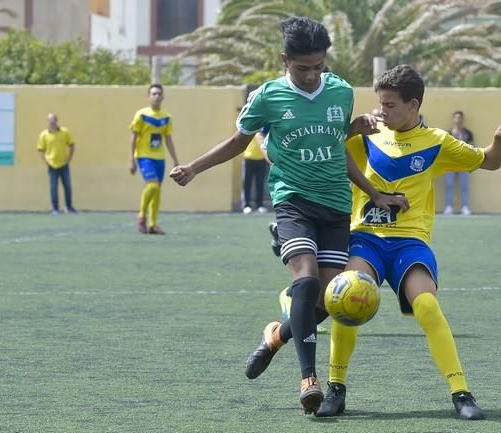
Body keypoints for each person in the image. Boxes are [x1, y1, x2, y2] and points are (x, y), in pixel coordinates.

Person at [254, 65, 501, 420]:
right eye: (378, 104)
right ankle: (336, 389)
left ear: (414, 105)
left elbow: (490, 161)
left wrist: (500, 137)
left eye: (389, 105)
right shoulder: (365, 135)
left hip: (409, 242)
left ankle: (461, 393)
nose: (380, 112)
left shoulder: (438, 142)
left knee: (428, 306)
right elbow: (322, 148)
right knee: (343, 297)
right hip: (365, 239)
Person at [170, 16, 406, 414]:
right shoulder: (267, 97)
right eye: (303, 68)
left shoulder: (341, 92)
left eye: (319, 66)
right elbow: (236, 142)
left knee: (328, 302)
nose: (313, 75)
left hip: (334, 206)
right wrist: (193, 167)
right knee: (307, 280)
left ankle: (275, 337)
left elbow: (336, 146)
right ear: (284, 60)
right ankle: (308, 379)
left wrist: (374, 190)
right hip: (292, 201)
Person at [129, 84, 179, 235]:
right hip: (144, 156)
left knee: (157, 191)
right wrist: (131, 159)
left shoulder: (166, 117)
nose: (156, 96)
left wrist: (176, 160)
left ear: (163, 96)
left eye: (159, 94)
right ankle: (141, 216)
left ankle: (153, 224)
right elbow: (134, 137)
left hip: (159, 158)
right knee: (152, 185)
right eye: (153, 94)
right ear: (148, 96)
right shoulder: (141, 115)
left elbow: (168, 139)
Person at [37, 113, 76, 215]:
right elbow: (41, 150)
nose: (52, 123)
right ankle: (55, 209)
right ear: (48, 122)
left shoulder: (64, 132)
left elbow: (71, 145)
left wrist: (69, 159)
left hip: (64, 165)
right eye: (50, 121)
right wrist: (46, 162)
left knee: (67, 186)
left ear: (57, 121)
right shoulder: (44, 135)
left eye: (54, 121)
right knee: (53, 188)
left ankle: (69, 207)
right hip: (52, 166)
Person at [444, 110, 475, 215]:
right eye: (456, 118)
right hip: (450, 164)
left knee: (464, 186)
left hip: (463, 164)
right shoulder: (448, 133)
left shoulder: (468, 133)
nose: (458, 120)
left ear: (462, 119)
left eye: (460, 118)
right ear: (453, 119)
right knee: (449, 185)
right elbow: (445, 148)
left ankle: (465, 207)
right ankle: (448, 207)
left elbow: (472, 148)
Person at [242, 125, 269, 214]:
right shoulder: (250, 126)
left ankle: (259, 205)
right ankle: (246, 205)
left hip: (261, 158)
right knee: (247, 183)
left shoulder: (265, 129)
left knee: (260, 183)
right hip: (248, 157)